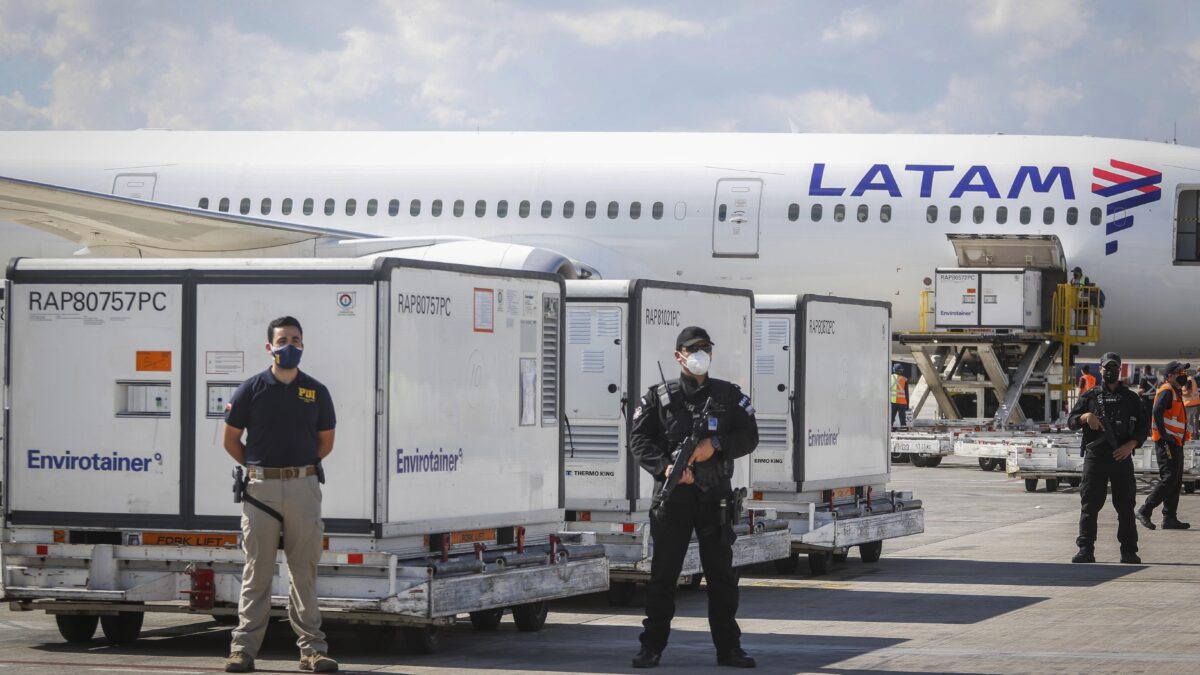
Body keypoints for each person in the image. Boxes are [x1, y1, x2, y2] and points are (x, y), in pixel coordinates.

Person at [629, 326, 759, 669]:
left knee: (721, 578)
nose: (700, 354)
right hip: (674, 501)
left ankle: (729, 649)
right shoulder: (658, 397)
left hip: (714, 498)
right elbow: (639, 441)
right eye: (693, 348)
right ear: (679, 356)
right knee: (663, 577)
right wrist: (666, 468)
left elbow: (749, 437)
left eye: (705, 348)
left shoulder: (729, 396)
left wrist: (713, 445)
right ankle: (651, 647)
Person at [223, 316, 338, 673]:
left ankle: (313, 651)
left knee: (303, 571)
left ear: (303, 344)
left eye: (296, 339)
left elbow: (325, 442)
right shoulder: (251, 389)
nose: (290, 345)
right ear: (269, 347)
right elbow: (231, 440)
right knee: (257, 571)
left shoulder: (316, 391)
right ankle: (243, 650)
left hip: (304, 487)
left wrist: (295, 472)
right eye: (283, 339)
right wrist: (260, 469)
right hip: (261, 490)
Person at [1066, 352, 1149, 564]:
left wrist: (1130, 446)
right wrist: (1086, 416)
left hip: (1121, 457)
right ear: (1100, 369)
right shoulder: (1090, 396)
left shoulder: (1130, 398)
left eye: (1114, 367)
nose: (1110, 371)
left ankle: (1129, 551)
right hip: (1096, 457)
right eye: (1106, 367)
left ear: (1119, 370)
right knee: (1090, 505)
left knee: (1125, 506)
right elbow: (1071, 420)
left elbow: (1142, 428)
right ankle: (1085, 549)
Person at [1137, 361, 1192, 531]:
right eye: (1179, 372)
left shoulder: (1175, 391)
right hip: (1167, 443)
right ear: (1170, 375)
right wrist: (1164, 434)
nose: (1183, 375)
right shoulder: (1167, 391)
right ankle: (1144, 510)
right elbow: (1156, 412)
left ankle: (1170, 518)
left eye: (1183, 372)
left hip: (1175, 442)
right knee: (1169, 478)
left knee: (1175, 480)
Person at [890, 364, 910, 430]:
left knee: (891, 416)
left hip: (892, 401)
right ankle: (903, 427)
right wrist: (907, 404)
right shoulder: (905, 380)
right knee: (902, 417)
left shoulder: (889, 378)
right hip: (902, 402)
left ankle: (890, 427)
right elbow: (906, 393)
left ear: (893, 370)